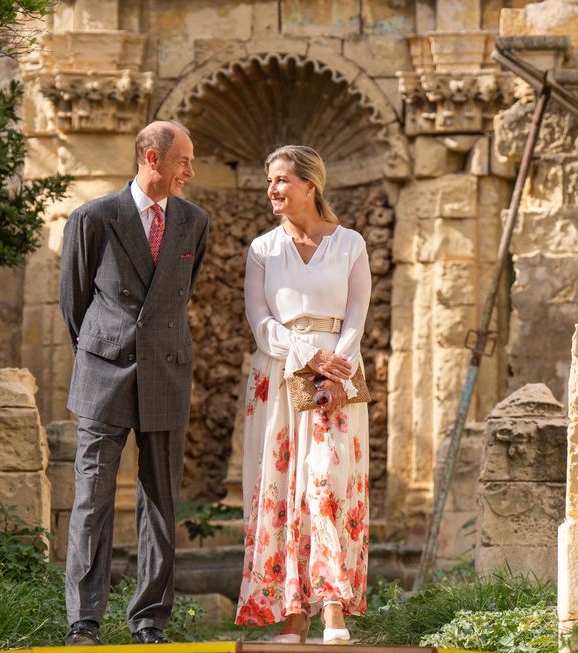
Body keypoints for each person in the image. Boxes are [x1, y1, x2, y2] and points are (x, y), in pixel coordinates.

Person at [58, 120, 209, 646]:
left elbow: (177, 296)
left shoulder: (194, 222)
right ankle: (84, 622)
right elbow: (74, 303)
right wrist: (104, 350)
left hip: (167, 370)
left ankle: (149, 621)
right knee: (92, 498)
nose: (190, 171)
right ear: (152, 158)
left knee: (161, 501)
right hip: (104, 373)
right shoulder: (93, 217)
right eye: (183, 160)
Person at [235, 145, 371, 645]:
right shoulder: (262, 249)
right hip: (279, 372)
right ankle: (292, 616)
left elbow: (356, 315)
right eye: (270, 180)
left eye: (281, 180)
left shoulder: (350, 243)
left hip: (339, 372)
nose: (272, 189)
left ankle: (333, 608)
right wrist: (308, 356)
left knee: (327, 482)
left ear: (310, 185)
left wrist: (336, 371)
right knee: (282, 485)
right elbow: (260, 321)